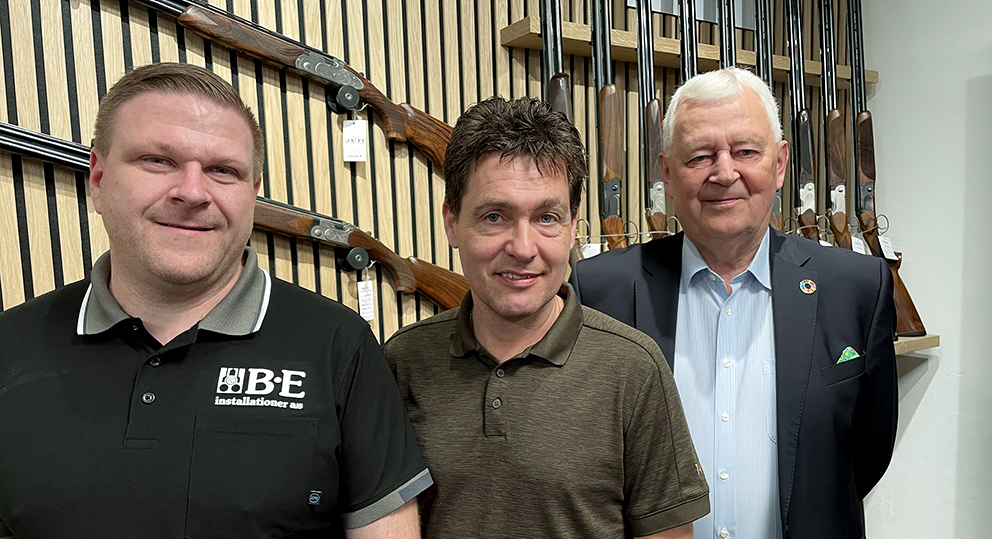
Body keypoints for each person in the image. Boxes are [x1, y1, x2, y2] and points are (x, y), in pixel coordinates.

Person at [0, 62, 430, 538]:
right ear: (98, 179)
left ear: (253, 195)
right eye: (157, 160)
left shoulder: (339, 344)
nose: (191, 192)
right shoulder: (8, 344)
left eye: (223, 170)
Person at [570, 67, 897, 539]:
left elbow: (865, 456)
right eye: (699, 156)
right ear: (666, 173)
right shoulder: (600, 291)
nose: (724, 173)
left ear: (780, 164)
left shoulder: (857, 288)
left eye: (745, 151)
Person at [384, 96, 709, 539]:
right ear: (452, 223)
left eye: (547, 217)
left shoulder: (634, 368)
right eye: (494, 216)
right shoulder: (402, 361)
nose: (522, 247)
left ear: (573, 227)